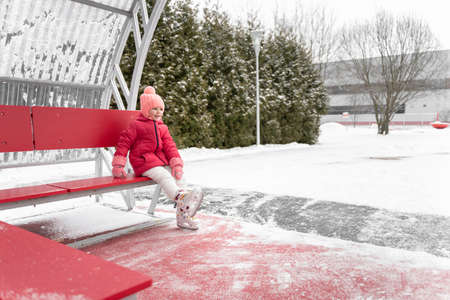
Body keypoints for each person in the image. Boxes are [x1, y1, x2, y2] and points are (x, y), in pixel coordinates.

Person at [111, 86, 202, 230]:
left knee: (179, 177)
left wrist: (176, 164)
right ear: (146, 110)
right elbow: (124, 143)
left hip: (159, 161)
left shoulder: (162, 127)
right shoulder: (136, 125)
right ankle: (180, 197)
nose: (158, 112)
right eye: (154, 109)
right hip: (143, 161)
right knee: (164, 176)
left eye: (161, 109)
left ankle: (184, 215)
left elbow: (170, 146)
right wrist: (118, 165)